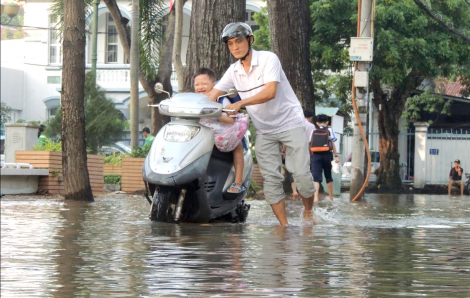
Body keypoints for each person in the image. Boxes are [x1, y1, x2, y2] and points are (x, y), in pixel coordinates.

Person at [207, 22, 315, 226]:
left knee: (301, 174)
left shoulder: (268, 59)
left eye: (238, 41)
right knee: (271, 180)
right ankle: (284, 227)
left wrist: (240, 103)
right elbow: (213, 94)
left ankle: (308, 211)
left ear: (250, 40)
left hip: (290, 122)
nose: (235, 47)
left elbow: (270, 91)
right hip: (265, 130)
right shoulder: (233, 71)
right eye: (230, 44)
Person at [194, 67, 248, 193]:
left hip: (224, 131)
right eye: (197, 84)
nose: (200, 87)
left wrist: (215, 113)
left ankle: (238, 182)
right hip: (204, 133)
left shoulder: (222, 99)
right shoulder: (194, 100)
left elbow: (230, 120)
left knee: (237, 146)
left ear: (214, 85)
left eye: (203, 84)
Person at [282, 110, 316, 200]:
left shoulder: (290, 124)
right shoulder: (311, 126)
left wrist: (283, 150)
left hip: (291, 150)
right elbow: (311, 141)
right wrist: (311, 151)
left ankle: (294, 191)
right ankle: (304, 194)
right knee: (304, 171)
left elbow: (286, 140)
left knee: (292, 171)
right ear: (310, 117)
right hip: (304, 150)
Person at [310, 114, 340, 202]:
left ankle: (315, 198)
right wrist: (336, 156)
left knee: (316, 178)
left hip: (315, 156)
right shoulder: (330, 130)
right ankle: (331, 197)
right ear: (327, 122)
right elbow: (333, 144)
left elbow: (310, 143)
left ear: (317, 123)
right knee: (328, 176)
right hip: (327, 155)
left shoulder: (313, 131)